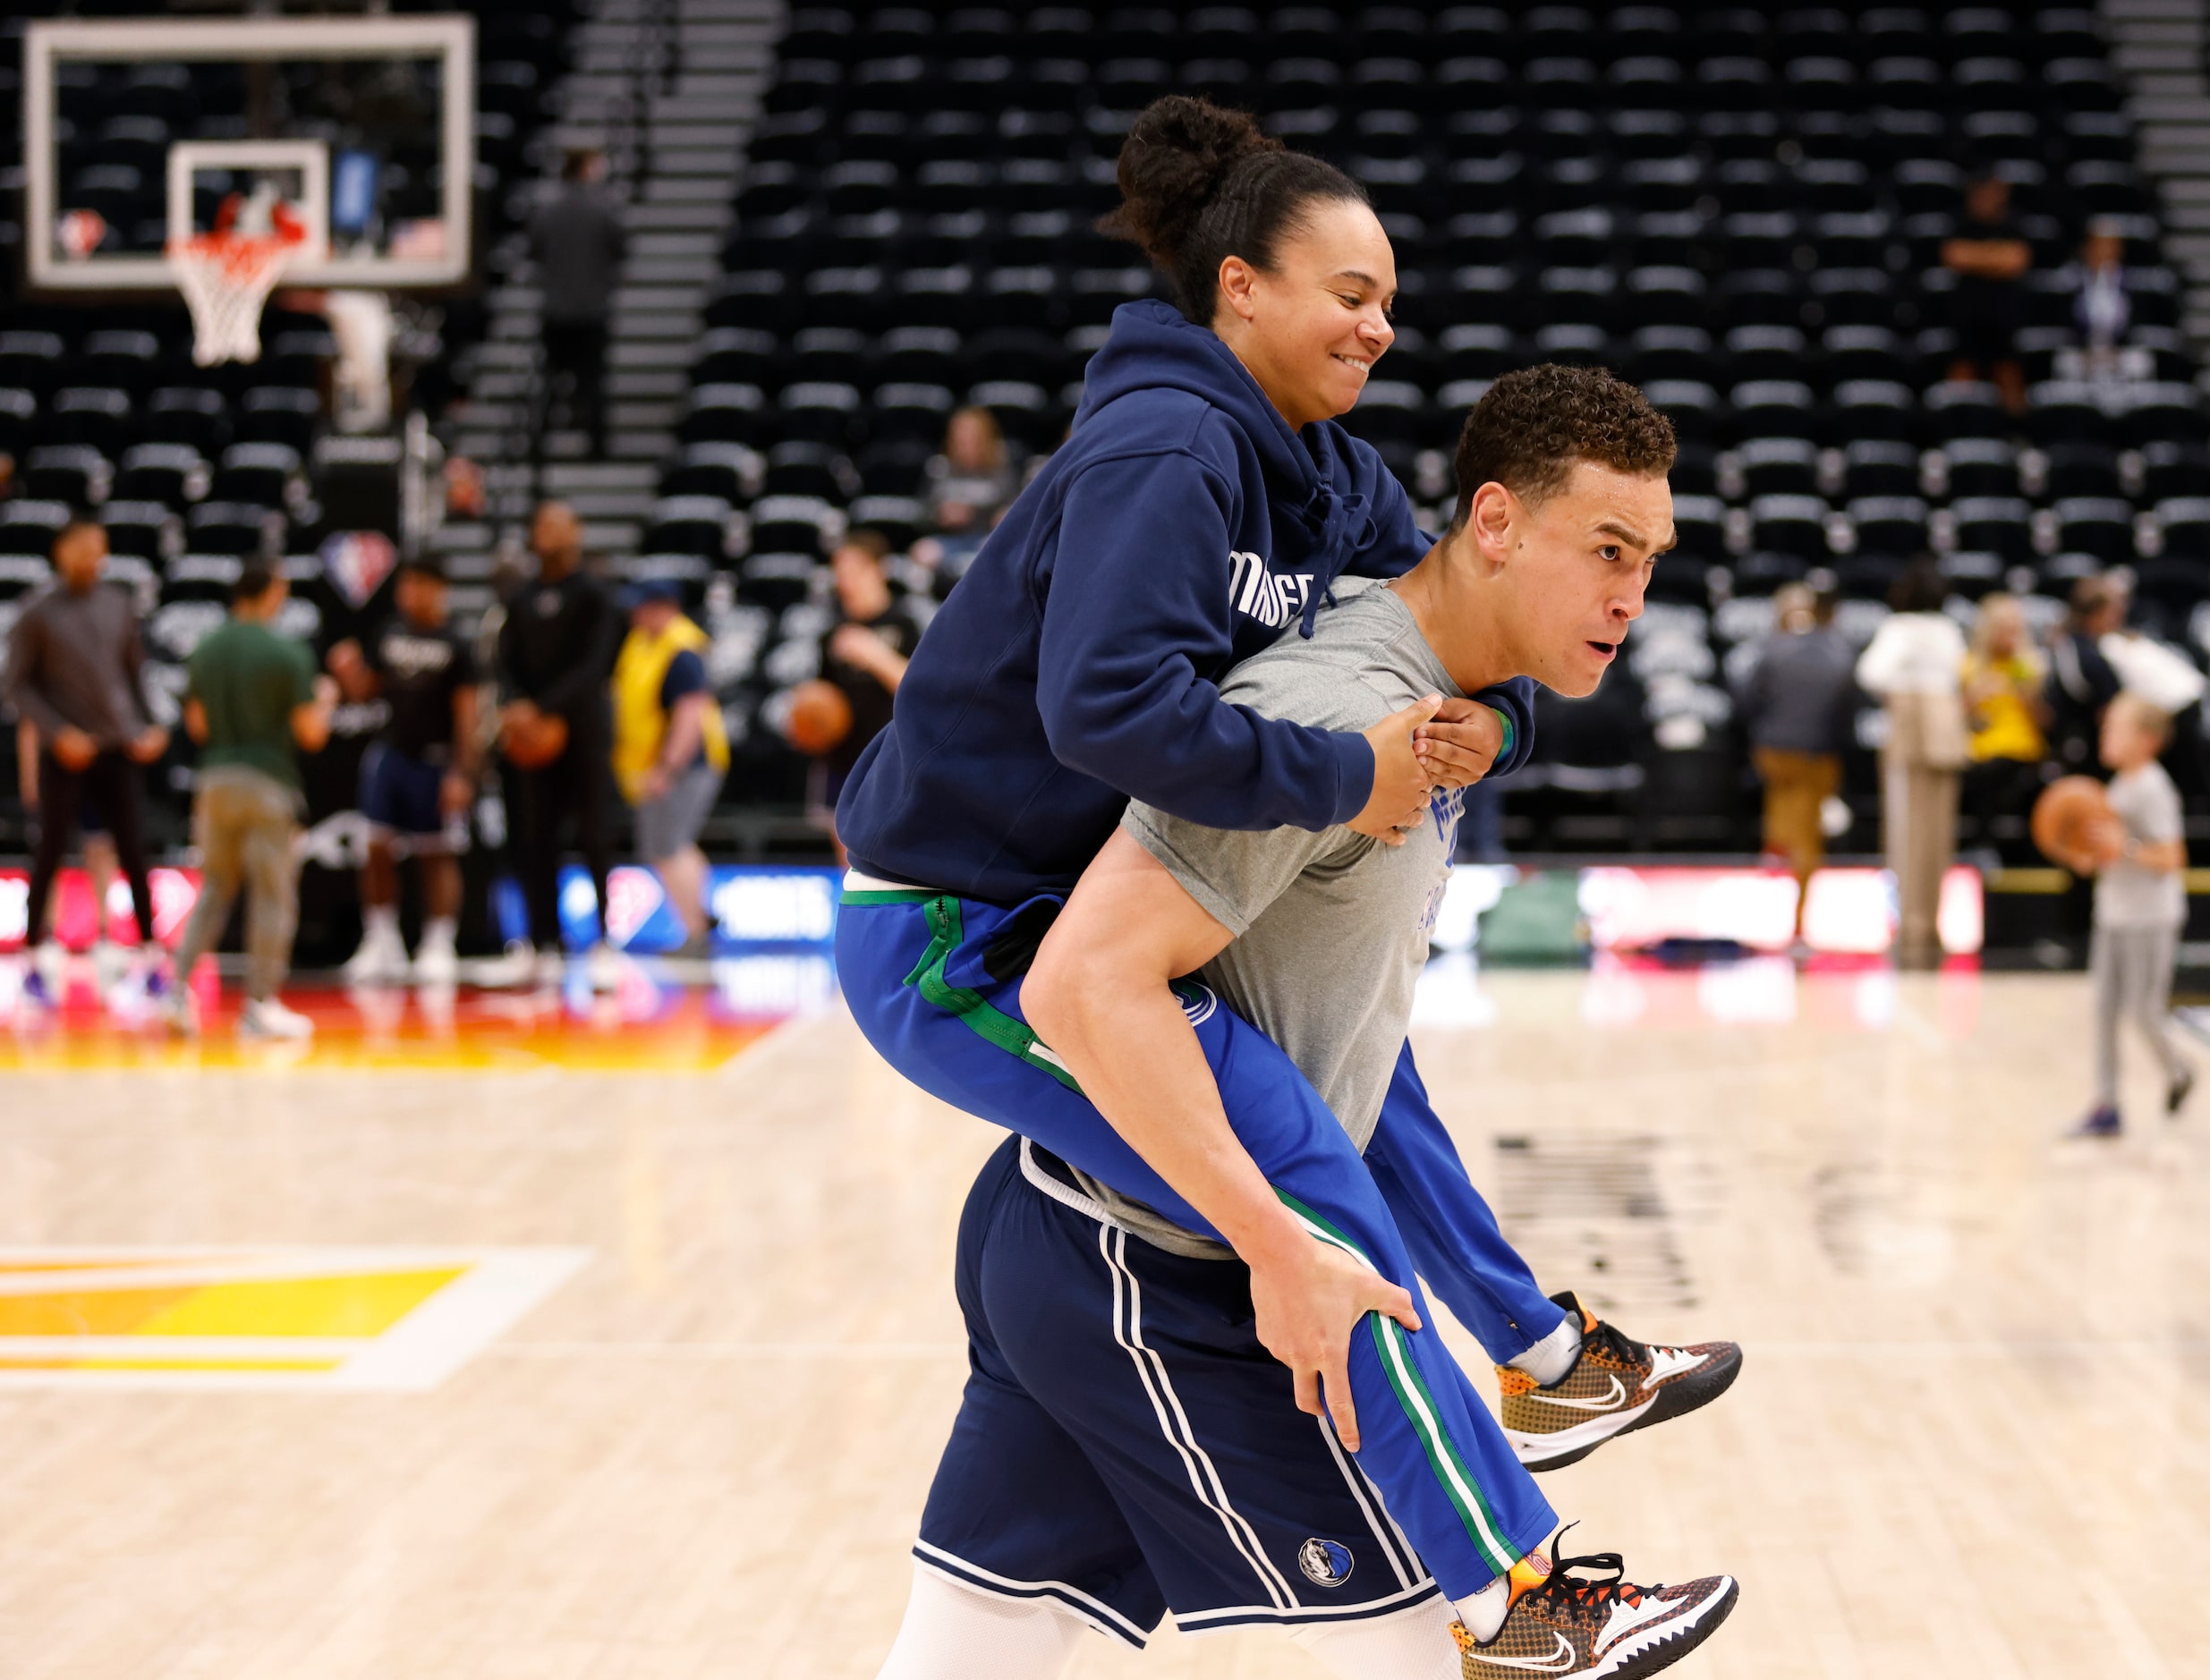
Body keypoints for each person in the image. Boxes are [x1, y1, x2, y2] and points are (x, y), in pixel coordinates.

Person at [842, 98, 1732, 1676]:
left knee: (1365, 1073)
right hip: (959, 929)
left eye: (1391, 299)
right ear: (1239, 288)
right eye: (1350, 292)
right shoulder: (1165, 446)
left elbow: (1451, 607)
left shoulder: (1320, 472)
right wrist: (1357, 776)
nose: (1382, 324)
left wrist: (1491, 720)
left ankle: (1538, 1349)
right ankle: (1517, 1592)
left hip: (1078, 913)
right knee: (1313, 1197)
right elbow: (1105, 712)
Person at [165, 562, 338, 1040]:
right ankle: (260, 1006)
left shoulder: (205, 649)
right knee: (271, 894)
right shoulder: (288, 653)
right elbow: (311, 733)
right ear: (272, 593)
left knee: (213, 889)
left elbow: (197, 727)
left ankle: (177, 994)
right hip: (268, 781)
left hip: (214, 781)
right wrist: (326, 700)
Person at [4, 519, 169, 1011]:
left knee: (133, 852)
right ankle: (34, 961)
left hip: (116, 748)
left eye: (98, 550)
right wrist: (59, 732)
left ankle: (151, 959)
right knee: (50, 851)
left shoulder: (118, 604)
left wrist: (149, 725)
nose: (90, 559)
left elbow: (136, 674)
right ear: (60, 552)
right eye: (81, 549)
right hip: (67, 751)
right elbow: (16, 686)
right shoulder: (36, 612)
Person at [491, 501, 624, 991]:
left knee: (594, 838)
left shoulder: (595, 596)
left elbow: (595, 666)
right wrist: (517, 705)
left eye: (556, 524)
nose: (546, 531)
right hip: (531, 738)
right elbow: (503, 663)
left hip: (582, 731)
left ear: (577, 533)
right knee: (535, 840)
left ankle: (605, 942)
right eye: (540, 523)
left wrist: (544, 708)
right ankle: (542, 944)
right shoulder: (520, 597)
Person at [329, 556, 480, 987]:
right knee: (375, 848)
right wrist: (348, 673)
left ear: (438, 589)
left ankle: (438, 942)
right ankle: (382, 940)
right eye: (405, 586)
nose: (408, 594)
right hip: (391, 753)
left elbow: (467, 715)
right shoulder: (389, 632)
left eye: (418, 585)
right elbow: (363, 693)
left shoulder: (457, 642)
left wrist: (462, 773)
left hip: (436, 759)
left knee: (437, 853)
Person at [2057, 694, 2195, 1136]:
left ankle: (2178, 1071)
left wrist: (2127, 848)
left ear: (2147, 741)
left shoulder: (2154, 789)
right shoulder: (2116, 787)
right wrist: (2084, 854)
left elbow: (2172, 857)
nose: (2105, 734)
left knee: (2144, 1011)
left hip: (2150, 919)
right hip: (2112, 914)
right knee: (2103, 1010)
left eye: (2116, 727)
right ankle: (2107, 1105)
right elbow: (2107, 851)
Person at [1856, 556, 1969, 970]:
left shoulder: (1898, 629)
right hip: (1946, 736)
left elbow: (1872, 672)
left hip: (1911, 738)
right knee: (1939, 835)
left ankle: (1911, 926)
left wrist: (1906, 689)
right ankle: (1931, 923)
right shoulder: (1950, 632)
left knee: (1906, 833)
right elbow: (1961, 675)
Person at [1735, 577, 1856, 950]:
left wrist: (1764, 732)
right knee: (1807, 838)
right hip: (1817, 757)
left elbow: (1744, 699)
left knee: (1788, 821)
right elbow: (1847, 710)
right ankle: (1797, 924)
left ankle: (1773, 853)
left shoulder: (1770, 649)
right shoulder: (1839, 652)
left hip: (1774, 752)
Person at [611, 578, 727, 954]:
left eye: (643, 607)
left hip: (684, 765)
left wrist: (667, 768)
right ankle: (699, 915)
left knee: (667, 846)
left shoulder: (681, 651)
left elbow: (690, 716)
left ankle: (695, 931)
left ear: (663, 608)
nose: (635, 615)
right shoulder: (646, 644)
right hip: (662, 764)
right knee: (676, 844)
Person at [810, 530, 922, 854]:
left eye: (854, 570)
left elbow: (917, 691)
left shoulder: (904, 624)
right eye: (840, 572)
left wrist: (875, 656)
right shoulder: (832, 630)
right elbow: (823, 698)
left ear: (879, 570)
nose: (845, 581)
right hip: (843, 760)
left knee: (895, 852)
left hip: (892, 757)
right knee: (846, 852)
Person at [529, 147, 626, 459]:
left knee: (549, 381)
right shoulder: (603, 210)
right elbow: (621, 248)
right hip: (591, 311)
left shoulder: (548, 211)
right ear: (585, 168)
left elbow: (534, 250)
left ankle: (536, 443)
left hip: (556, 309)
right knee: (593, 382)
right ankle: (597, 447)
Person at [16, 718, 126, 988]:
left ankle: (104, 935)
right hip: (54, 772)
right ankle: (49, 936)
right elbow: (30, 724)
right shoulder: (45, 686)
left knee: (100, 847)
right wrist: (30, 778)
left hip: (93, 773)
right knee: (50, 855)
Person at [1959, 592, 2048, 863]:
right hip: (1980, 748)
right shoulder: (1971, 666)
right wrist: (1975, 696)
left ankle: (2001, 851)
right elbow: (1959, 717)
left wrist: (2028, 694)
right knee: (1980, 773)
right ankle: (1981, 849)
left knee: (1998, 772)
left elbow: (2045, 721)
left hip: (2021, 749)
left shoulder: (2029, 666)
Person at [1941, 172, 2033, 413]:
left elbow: (2017, 260)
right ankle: (1956, 427)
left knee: (2009, 376)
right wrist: (1995, 257)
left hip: (2003, 318)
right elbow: (1954, 255)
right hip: (1967, 318)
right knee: (1962, 374)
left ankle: (2017, 434)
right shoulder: (1961, 222)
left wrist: (1976, 258)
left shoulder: (2013, 224)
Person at [2044, 573, 2127, 774]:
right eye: (2113, 611)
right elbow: (2109, 714)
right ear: (2097, 614)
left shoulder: (2065, 643)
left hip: (2068, 743)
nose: (2118, 617)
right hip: (2089, 752)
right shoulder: (2091, 658)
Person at [922, 406, 1022, 545]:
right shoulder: (940, 468)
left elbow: (1013, 510)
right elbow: (924, 511)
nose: (966, 444)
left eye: (973, 438)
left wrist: (979, 515)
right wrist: (940, 515)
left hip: (988, 538)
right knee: (924, 552)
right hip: (948, 538)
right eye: (960, 439)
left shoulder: (1002, 469)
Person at [2070, 216, 2131, 377]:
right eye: (2098, 245)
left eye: (2110, 246)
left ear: (2119, 250)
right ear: (2086, 249)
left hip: (2119, 353)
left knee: (2139, 362)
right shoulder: (2073, 283)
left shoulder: (2130, 285)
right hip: (2083, 352)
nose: (2104, 252)